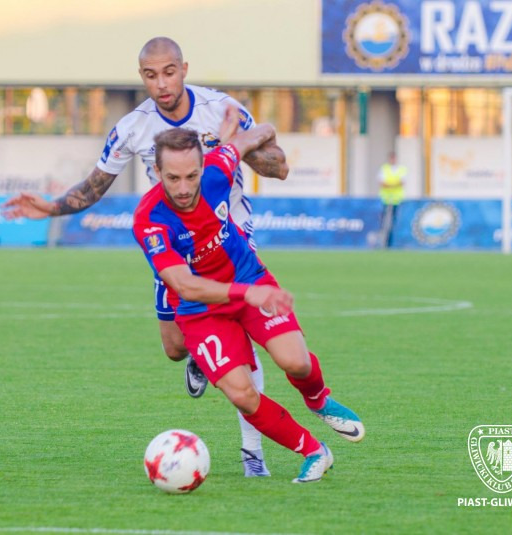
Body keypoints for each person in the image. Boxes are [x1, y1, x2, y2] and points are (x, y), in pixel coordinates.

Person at [3, 37, 289, 476]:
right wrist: (51, 207)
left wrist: (232, 146)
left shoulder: (221, 109)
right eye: (152, 75)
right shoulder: (132, 127)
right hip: (175, 247)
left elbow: (278, 166)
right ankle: (200, 354)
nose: (162, 83)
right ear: (142, 77)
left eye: (169, 72)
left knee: (240, 342)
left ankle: (254, 454)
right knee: (175, 348)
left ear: (184, 69)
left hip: (229, 241)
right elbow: (94, 186)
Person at [131, 121, 365, 483]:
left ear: (203, 167)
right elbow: (184, 285)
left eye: (192, 176)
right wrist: (245, 294)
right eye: (173, 178)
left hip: (247, 277)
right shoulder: (150, 220)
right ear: (157, 172)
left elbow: (258, 132)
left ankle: (318, 400)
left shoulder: (219, 168)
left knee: (296, 362)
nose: (184, 188)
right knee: (242, 394)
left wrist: (264, 136)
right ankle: (314, 451)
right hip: (201, 310)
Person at [378, 151, 406, 248]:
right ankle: (382, 242)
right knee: (383, 222)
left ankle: (393, 242)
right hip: (385, 199)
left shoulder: (401, 169)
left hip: (397, 199)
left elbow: (402, 182)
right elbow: (382, 183)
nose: (393, 160)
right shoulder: (384, 169)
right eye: (391, 158)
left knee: (395, 222)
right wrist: (394, 185)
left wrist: (389, 185)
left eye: (394, 158)